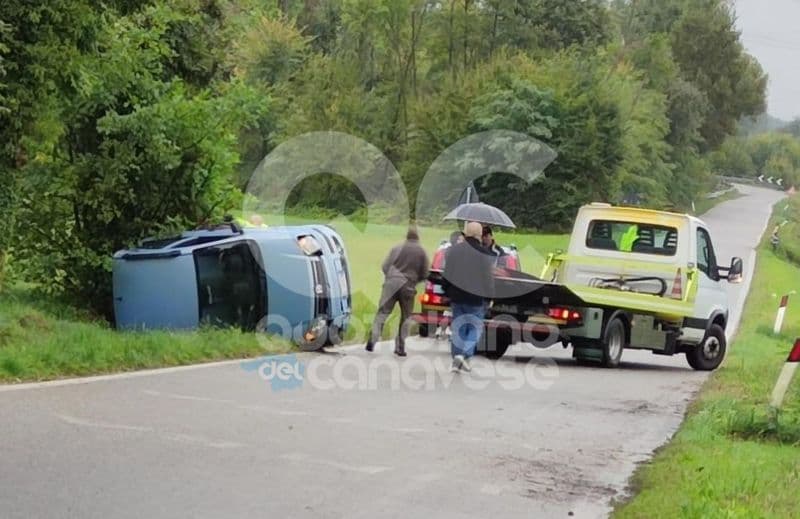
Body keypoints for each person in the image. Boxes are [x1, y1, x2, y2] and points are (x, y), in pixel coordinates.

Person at [365, 227, 430, 356]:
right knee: (406, 317)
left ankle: (372, 339)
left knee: (383, 312)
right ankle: (400, 347)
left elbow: (384, 266)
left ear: (406, 235)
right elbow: (424, 273)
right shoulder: (421, 252)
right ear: (418, 237)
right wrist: (415, 281)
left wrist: (391, 277)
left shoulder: (396, 248)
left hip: (391, 283)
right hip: (408, 286)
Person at [443, 221, 494, 372]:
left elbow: (447, 275)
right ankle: (464, 354)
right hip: (475, 297)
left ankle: (456, 358)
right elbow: (487, 278)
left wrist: (447, 291)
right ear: (479, 235)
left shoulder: (454, 251)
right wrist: (490, 296)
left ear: (465, 234)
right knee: (474, 327)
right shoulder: (484, 254)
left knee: (459, 326)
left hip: (457, 296)